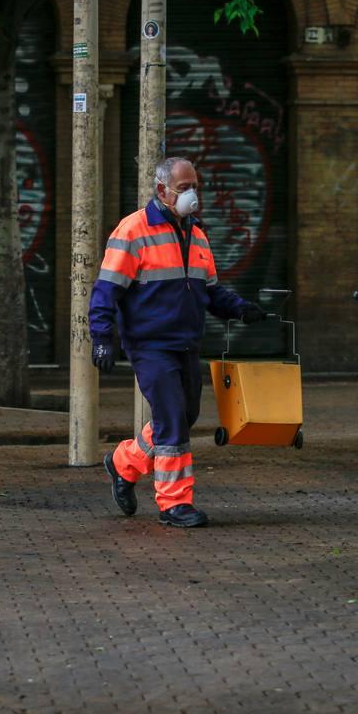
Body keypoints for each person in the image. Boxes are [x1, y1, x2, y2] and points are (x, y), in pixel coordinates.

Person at [88, 156, 266, 528]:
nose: (192, 195)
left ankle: (124, 463)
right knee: (171, 420)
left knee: (185, 417)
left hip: (186, 343)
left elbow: (211, 292)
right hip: (150, 345)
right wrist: (102, 338)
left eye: (194, 186)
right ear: (161, 191)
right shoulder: (133, 231)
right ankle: (174, 504)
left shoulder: (197, 234)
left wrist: (241, 309)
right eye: (184, 188)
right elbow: (106, 291)